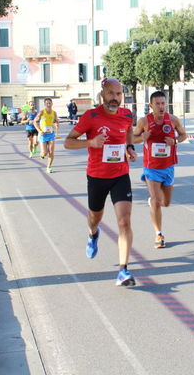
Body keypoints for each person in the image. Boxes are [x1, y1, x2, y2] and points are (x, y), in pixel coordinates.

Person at [64, 78, 137, 287]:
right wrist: (91, 142)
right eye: (111, 93)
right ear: (102, 94)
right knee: (95, 217)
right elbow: (68, 142)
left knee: (124, 221)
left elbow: (129, 130)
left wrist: (130, 148)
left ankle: (123, 270)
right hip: (96, 176)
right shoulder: (91, 116)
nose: (115, 98)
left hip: (120, 174)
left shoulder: (127, 115)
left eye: (119, 94)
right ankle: (93, 234)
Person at [133, 91, 187, 249]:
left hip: (168, 166)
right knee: (157, 201)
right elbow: (132, 138)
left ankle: (153, 201)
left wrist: (175, 140)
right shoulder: (144, 121)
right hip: (151, 167)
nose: (161, 106)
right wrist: (143, 138)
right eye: (157, 103)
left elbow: (184, 135)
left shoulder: (173, 120)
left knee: (166, 203)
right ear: (151, 106)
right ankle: (158, 234)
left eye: (163, 103)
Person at [33, 98, 59, 173]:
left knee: (51, 151)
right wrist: (39, 131)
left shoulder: (54, 113)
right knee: (44, 153)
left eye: (49, 103)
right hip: (43, 134)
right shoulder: (41, 112)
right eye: (47, 103)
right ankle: (42, 154)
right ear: (44, 104)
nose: (48, 104)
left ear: (52, 104)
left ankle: (49, 167)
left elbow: (56, 121)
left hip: (51, 134)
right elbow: (35, 121)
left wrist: (57, 124)